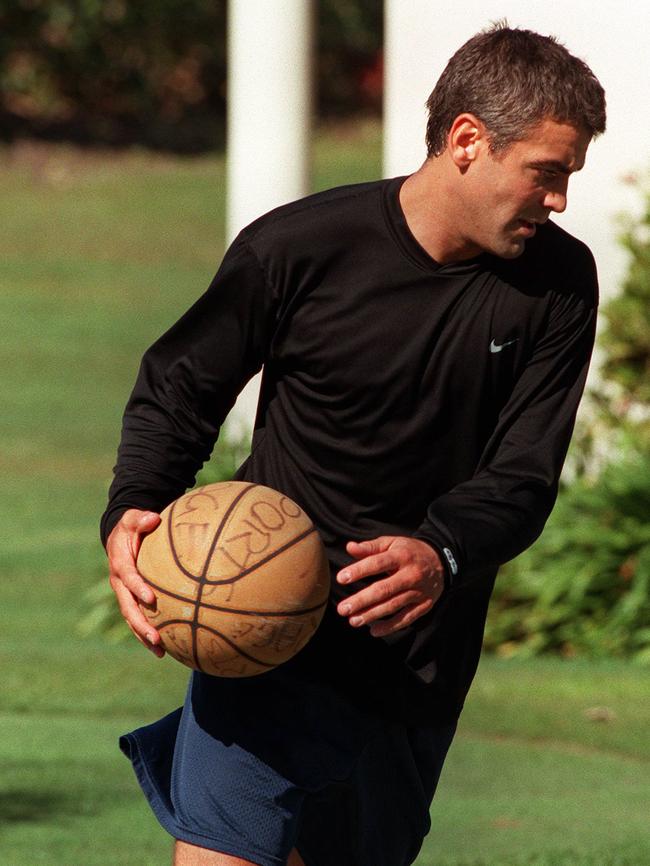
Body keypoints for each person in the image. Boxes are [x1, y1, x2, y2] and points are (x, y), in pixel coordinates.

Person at [101, 22, 606, 866]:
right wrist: (134, 506)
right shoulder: (299, 248)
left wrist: (440, 553)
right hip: (259, 628)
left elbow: (523, 474)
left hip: (410, 657)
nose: (558, 200)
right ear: (468, 141)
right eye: (547, 173)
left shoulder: (557, 286)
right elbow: (181, 385)